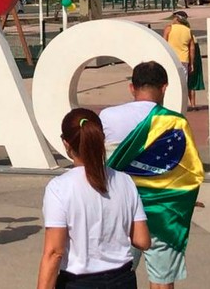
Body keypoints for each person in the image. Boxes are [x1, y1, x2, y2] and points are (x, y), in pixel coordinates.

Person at [100, 62, 204, 289]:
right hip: (161, 213)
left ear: (132, 87)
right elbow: (188, 171)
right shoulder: (175, 122)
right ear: (164, 87)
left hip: (121, 211)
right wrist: (183, 202)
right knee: (162, 280)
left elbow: (100, 163)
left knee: (115, 277)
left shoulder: (108, 117)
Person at [37, 108, 150, 289]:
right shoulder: (125, 181)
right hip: (123, 279)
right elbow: (142, 240)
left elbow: (54, 252)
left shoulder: (59, 187)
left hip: (79, 282)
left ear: (66, 144)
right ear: (101, 139)